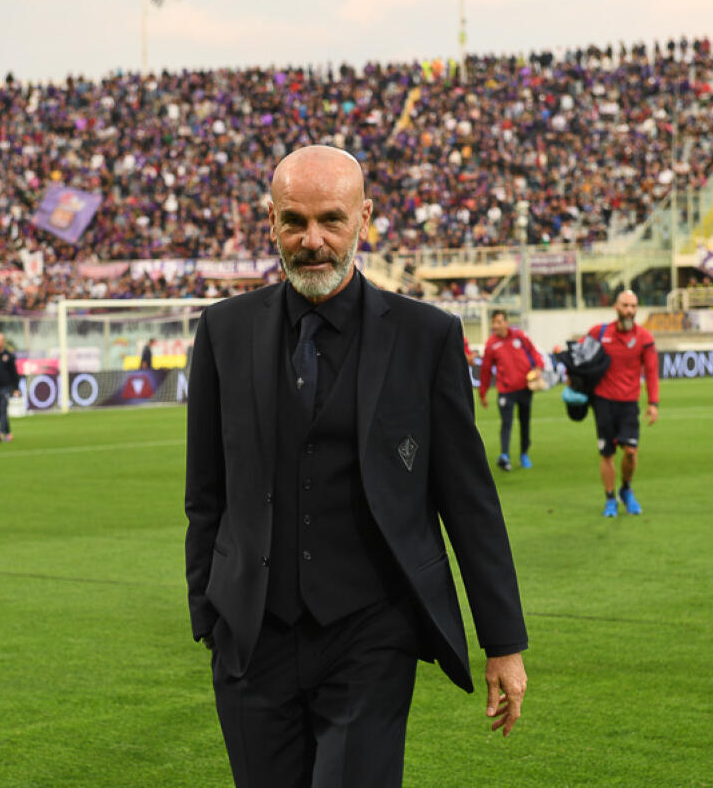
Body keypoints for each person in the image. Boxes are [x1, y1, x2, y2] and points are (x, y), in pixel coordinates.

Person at [185, 145, 527, 788]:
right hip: (251, 636)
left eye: (331, 220)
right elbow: (206, 493)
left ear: (365, 218)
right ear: (271, 222)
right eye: (294, 221)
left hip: (372, 633)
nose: (312, 240)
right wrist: (210, 611)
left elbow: (468, 498)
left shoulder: (426, 336)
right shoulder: (222, 331)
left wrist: (503, 641)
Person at [589, 290, 659, 518]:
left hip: (629, 404)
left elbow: (651, 371)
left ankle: (626, 489)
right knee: (607, 453)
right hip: (603, 402)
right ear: (616, 307)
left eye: (633, 306)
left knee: (630, 452)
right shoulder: (600, 333)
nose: (629, 310)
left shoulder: (644, 338)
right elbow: (579, 356)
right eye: (625, 305)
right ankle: (610, 499)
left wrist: (653, 403)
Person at [478, 310, 545, 471]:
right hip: (505, 390)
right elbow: (486, 370)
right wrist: (483, 393)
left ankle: (524, 454)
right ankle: (505, 456)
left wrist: (538, 368)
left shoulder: (520, 336)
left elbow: (535, 354)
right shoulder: (491, 344)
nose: (496, 326)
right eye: (494, 322)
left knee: (524, 422)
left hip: (525, 388)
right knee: (506, 423)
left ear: (507, 323)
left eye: (499, 322)